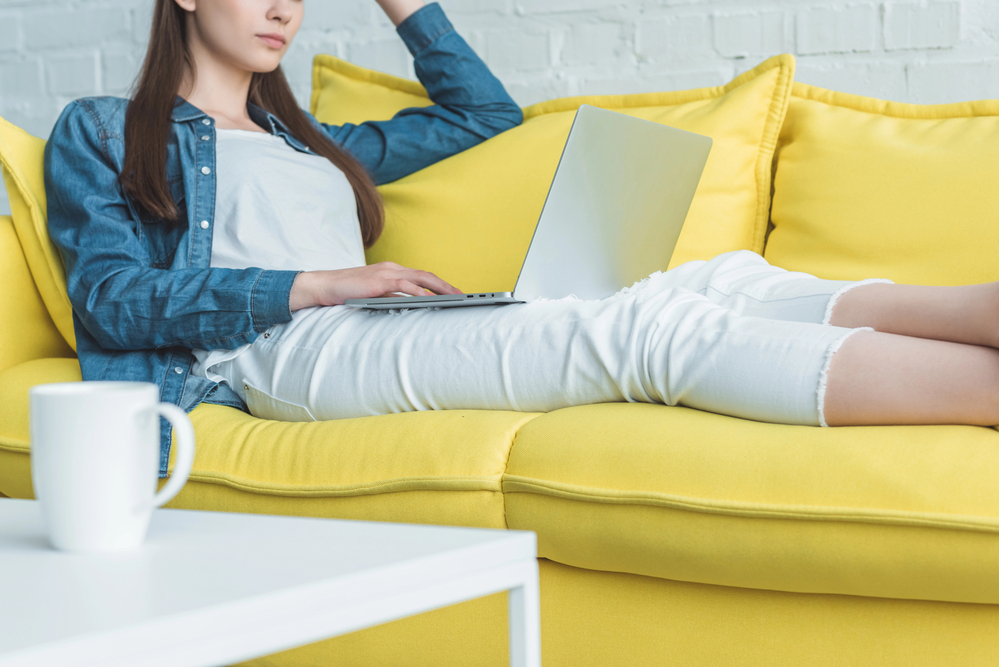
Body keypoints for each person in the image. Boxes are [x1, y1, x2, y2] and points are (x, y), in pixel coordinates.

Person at [45, 0, 999, 478]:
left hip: (373, 324)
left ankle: (977, 314)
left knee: (716, 275)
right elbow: (112, 297)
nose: (284, 6)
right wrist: (317, 283)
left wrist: (402, 1)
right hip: (277, 354)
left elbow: (482, 112)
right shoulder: (103, 129)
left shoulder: (320, 144)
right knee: (639, 333)